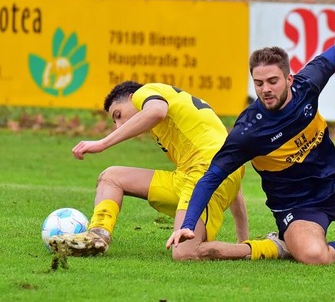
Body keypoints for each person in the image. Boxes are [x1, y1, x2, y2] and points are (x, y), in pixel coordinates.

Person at [166, 44, 335, 264]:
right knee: (313, 256)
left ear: (289, 78)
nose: (266, 89)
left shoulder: (306, 86)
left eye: (273, 81)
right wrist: (188, 224)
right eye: (258, 83)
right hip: (299, 207)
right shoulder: (248, 132)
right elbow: (211, 176)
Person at [48, 81, 287, 261]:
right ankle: (97, 234)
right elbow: (235, 186)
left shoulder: (147, 94)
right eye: (115, 122)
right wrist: (240, 236)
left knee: (184, 253)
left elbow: (155, 112)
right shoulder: (181, 127)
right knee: (111, 176)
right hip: (191, 177)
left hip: (203, 177)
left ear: (133, 97)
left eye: (118, 115)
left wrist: (102, 143)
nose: (120, 125)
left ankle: (271, 247)